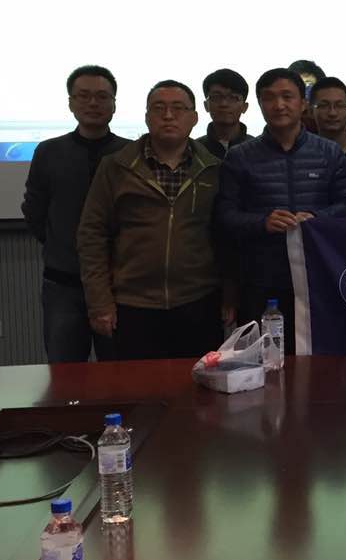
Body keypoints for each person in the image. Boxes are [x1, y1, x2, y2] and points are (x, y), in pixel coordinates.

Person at [76, 80, 228, 359]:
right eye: (159, 108)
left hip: (198, 301)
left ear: (194, 118)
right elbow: (92, 235)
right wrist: (99, 303)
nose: (168, 116)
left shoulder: (213, 168)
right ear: (147, 117)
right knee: (136, 384)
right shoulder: (116, 166)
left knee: (197, 383)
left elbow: (225, 237)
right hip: (132, 304)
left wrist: (230, 297)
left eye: (178, 108)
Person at [215, 68, 346, 354]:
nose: (279, 105)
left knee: (319, 359)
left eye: (287, 96)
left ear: (303, 103)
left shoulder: (329, 153)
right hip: (260, 279)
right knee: (263, 360)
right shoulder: (240, 156)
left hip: (317, 276)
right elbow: (225, 215)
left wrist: (317, 220)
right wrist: (262, 222)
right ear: (259, 105)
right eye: (269, 98)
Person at [22, 65, 132, 363]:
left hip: (121, 285)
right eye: (84, 96)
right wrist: (60, 243)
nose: (93, 103)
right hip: (63, 284)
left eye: (102, 97)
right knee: (65, 372)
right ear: (71, 103)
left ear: (114, 104)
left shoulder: (131, 153)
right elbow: (34, 211)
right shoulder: (48, 152)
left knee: (122, 371)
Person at [199, 68, 251, 160]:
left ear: (244, 107)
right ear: (206, 105)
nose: (224, 104)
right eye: (216, 97)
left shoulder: (258, 149)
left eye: (233, 98)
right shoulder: (194, 150)